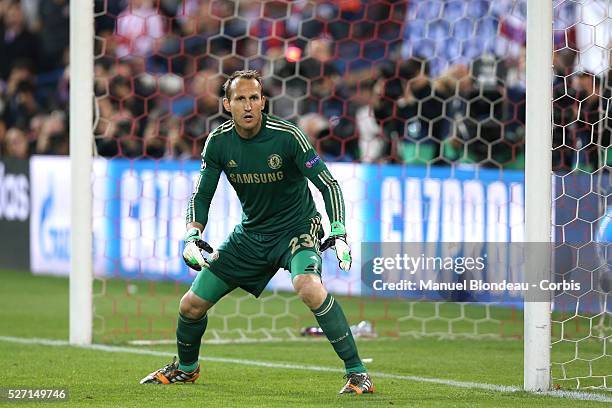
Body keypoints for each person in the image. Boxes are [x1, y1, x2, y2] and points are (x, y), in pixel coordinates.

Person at [140, 70, 374, 395]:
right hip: (251, 235)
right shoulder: (219, 142)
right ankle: (186, 368)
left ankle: (358, 373)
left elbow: (328, 183)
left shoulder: (288, 136)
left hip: (298, 229)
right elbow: (201, 194)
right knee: (190, 306)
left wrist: (339, 231)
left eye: (254, 98)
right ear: (227, 104)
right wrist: (192, 235)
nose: (249, 105)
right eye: (240, 99)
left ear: (263, 102)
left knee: (308, 286)